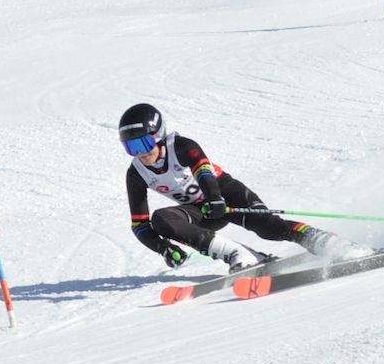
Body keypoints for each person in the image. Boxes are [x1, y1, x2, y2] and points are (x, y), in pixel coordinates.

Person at [118, 101, 362, 272]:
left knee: (269, 228)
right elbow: (140, 225)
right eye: (131, 147)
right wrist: (163, 248)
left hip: (226, 194)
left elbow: (204, 172)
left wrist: (215, 197)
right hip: (201, 212)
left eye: (144, 143)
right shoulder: (136, 173)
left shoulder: (181, 146)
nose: (141, 153)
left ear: (159, 136)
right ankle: (240, 255)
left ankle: (330, 243)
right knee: (162, 219)